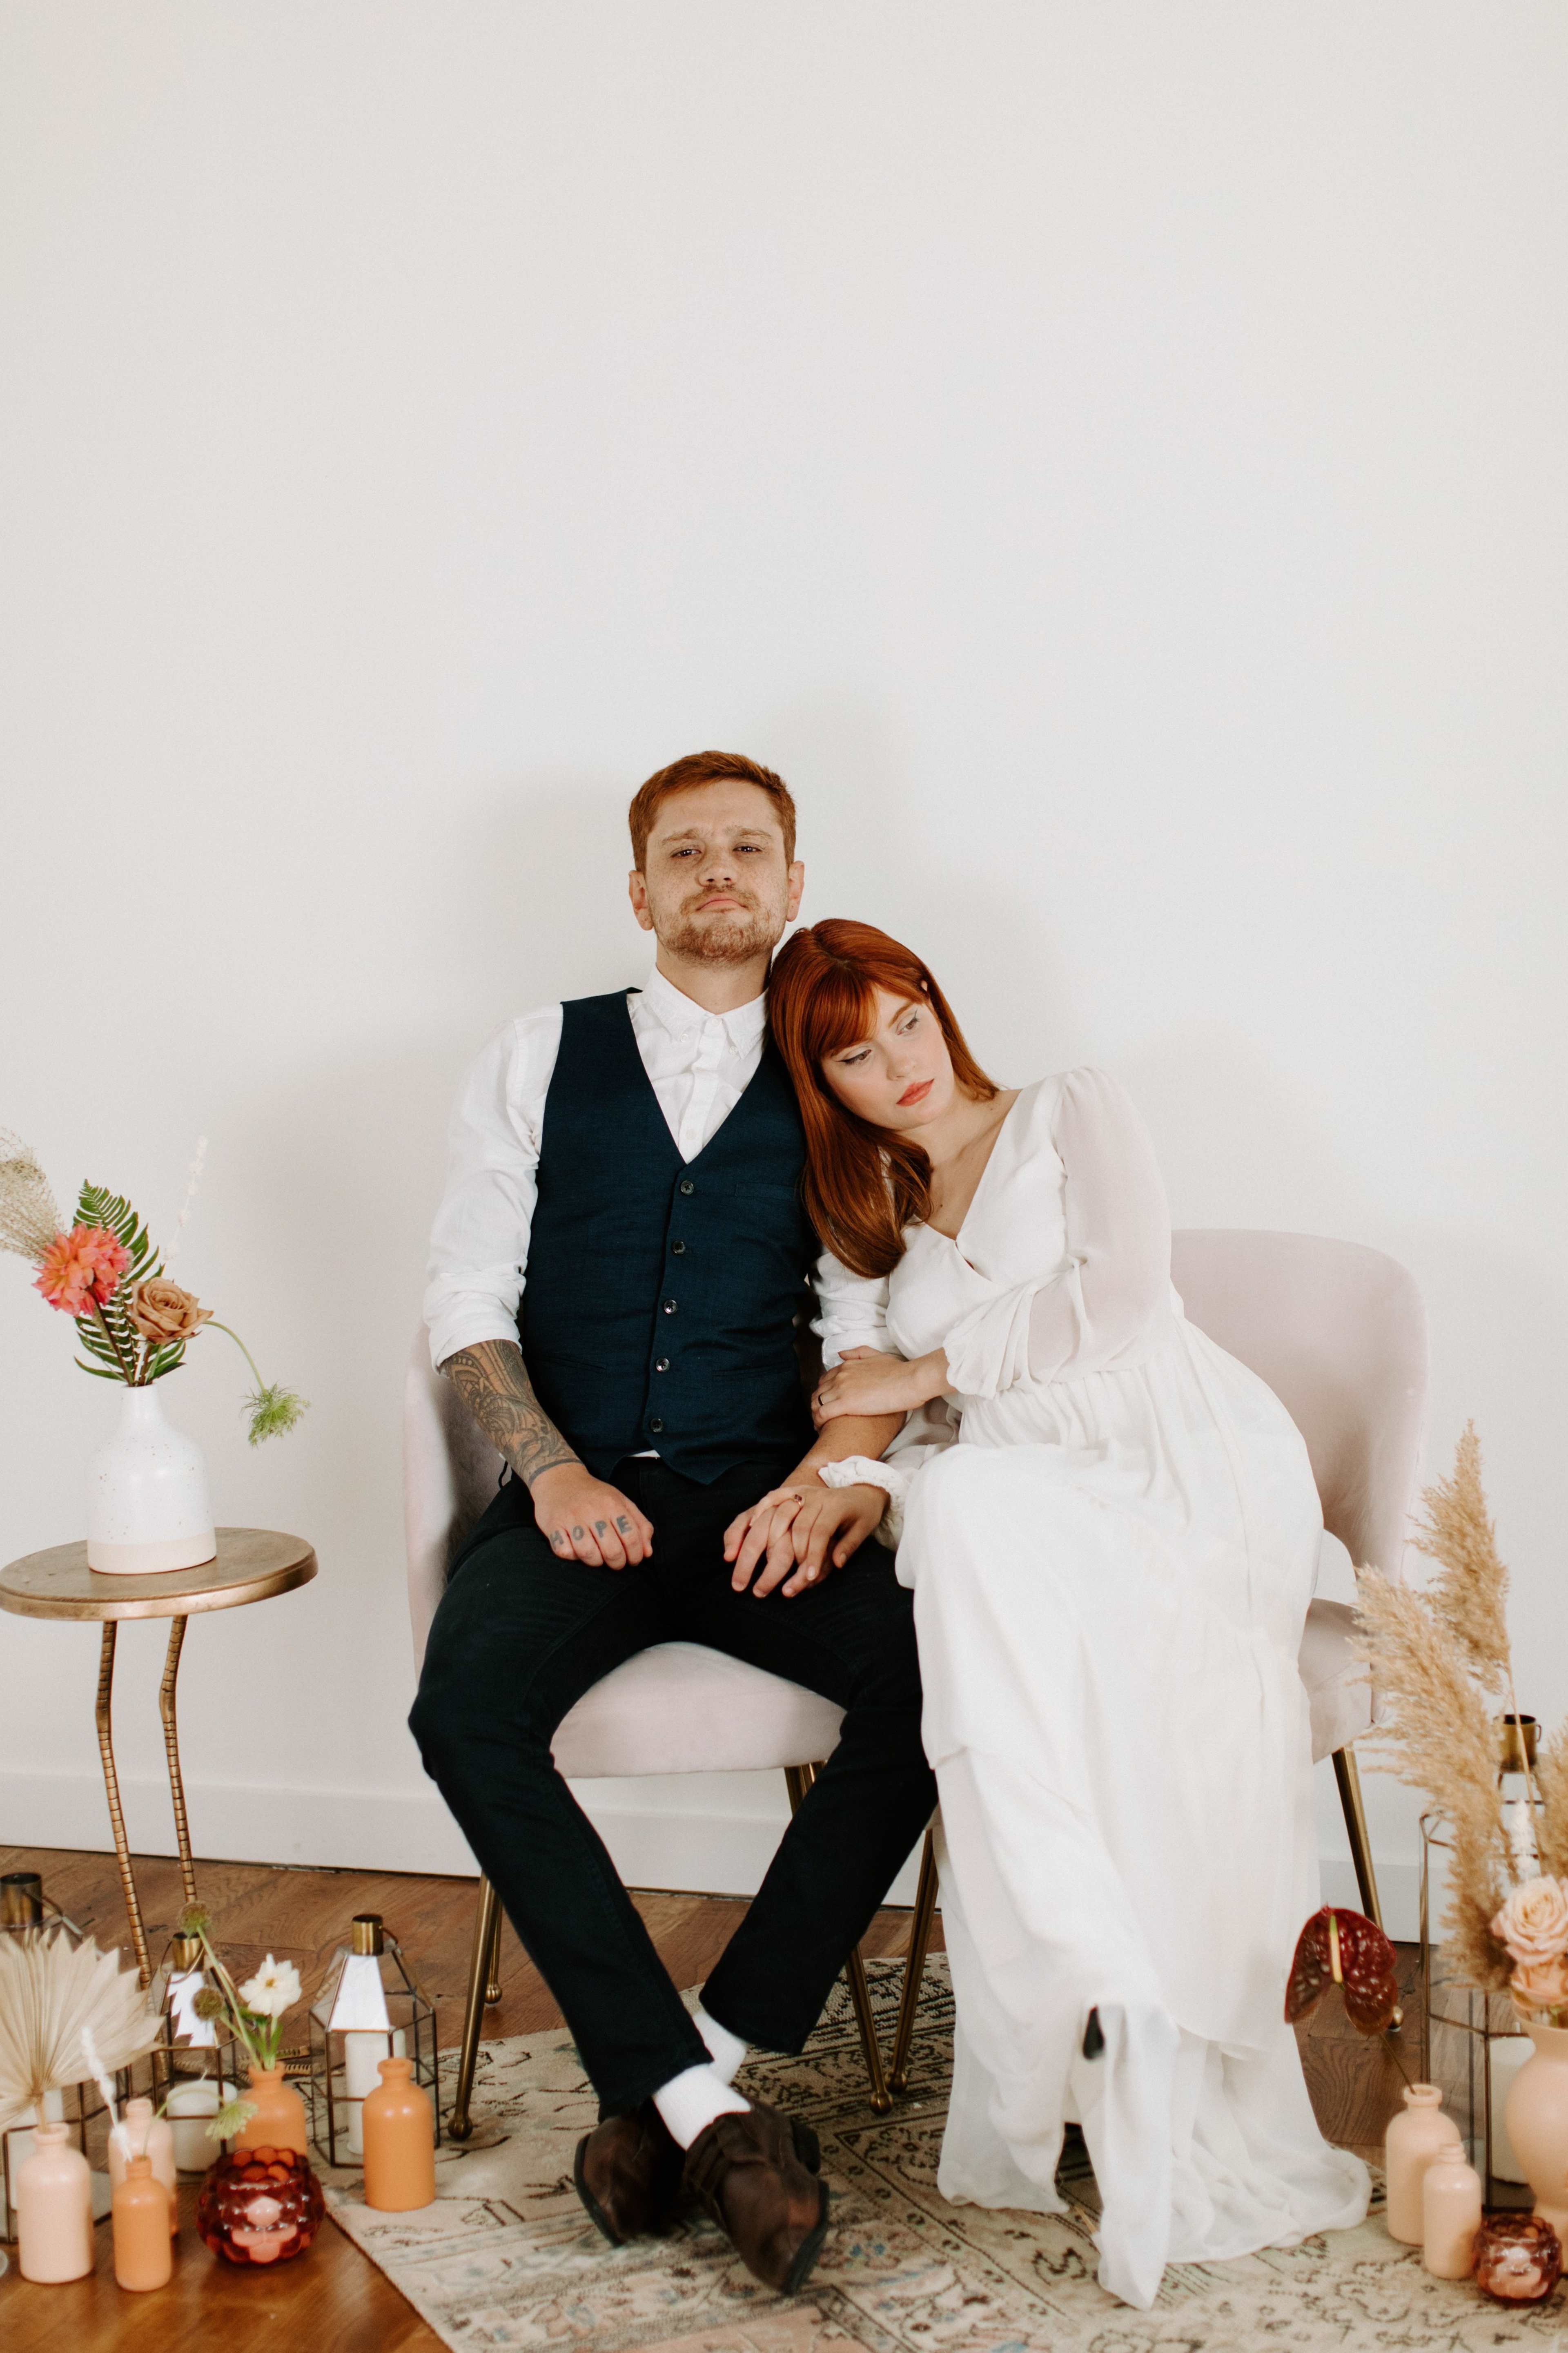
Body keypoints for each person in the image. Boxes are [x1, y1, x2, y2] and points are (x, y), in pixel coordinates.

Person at [760, 917, 1371, 2309]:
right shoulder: (863, 1225)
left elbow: (1121, 1297)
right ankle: (1096, 1972)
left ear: (938, 1004)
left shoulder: (1071, 1107)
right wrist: (858, 1471)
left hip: (1186, 1456)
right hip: (1022, 1485)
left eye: (905, 1019)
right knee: (963, 1513)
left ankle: (1135, 1998)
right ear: (825, 1083)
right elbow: (859, 1395)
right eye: (854, 1053)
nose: (898, 1063)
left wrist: (921, 1378)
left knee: (974, 1512)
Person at [410, 758, 936, 2298]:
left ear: (788, 881)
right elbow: (466, 1298)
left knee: (930, 1684)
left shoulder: (835, 1068)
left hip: (764, 1495)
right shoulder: (533, 1055)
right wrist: (556, 1476)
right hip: (576, 1490)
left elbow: (866, 1321)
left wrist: (833, 1477)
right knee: (464, 1714)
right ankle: (717, 2114)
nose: (720, 872)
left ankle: (691, 2074)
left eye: (748, 849)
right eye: (685, 852)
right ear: (639, 893)